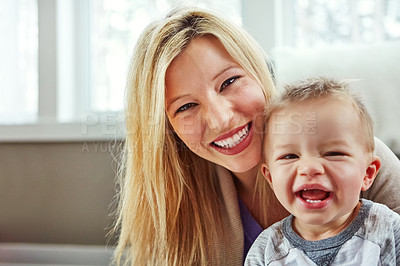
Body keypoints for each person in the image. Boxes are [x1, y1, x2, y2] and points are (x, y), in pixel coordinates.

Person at [112, 7, 400, 265]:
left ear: (259, 73)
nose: (220, 118)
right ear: (168, 129)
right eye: (186, 106)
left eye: (229, 82)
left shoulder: (359, 158)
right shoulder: (177, 208)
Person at [245, 77, 400, 265]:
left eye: (333, 153)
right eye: (290, 156)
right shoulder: (266, 253)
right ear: (270, 177)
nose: (309, 167)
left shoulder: (388, 230)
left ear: (367, 173)